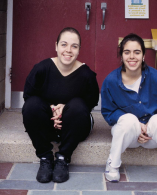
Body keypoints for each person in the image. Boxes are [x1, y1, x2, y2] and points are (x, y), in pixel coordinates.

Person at [101, 33, 157, 185]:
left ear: (144, 56)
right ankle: (112, 165)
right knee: (128, 119)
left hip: (152, 137)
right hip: (127, 136)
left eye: (137, 52)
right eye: (127, 52)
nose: (132, 57)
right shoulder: (111, 81)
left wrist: (147, 127)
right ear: (121, 55)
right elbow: (108, 112)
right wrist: (136, 125)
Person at [22, 27, 99, 183]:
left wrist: (66, 108)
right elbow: (28, 97)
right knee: (32, 106)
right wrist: (52, 110)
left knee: (78, 105)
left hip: (75, 127)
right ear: (56, 46)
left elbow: (90, 104)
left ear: (79, 50)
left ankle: (63, 158)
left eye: (74, 46)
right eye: (64, 44)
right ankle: (45, 157)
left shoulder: (86, 75)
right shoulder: (41, 69)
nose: (68, 50)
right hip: (47, 127)